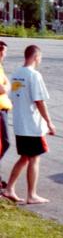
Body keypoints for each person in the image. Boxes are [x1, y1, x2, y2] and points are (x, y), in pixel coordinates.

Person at [0, 45, 56, 204]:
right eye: (40, 58)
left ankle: (9, 188)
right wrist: (49, 122)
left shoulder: (16, 74)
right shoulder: (34, 75)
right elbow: (39, 101)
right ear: (36, 57)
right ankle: (32, 194)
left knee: (25, 157)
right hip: (32, 125)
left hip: (19, 123)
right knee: (34, 159)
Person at [0, 41, 12, 187]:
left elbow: (8, 85)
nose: (5, 55)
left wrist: (6, 86)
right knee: (4, 144)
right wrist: (6, 87)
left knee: (4, 144)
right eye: (5, 52)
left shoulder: (1, 67)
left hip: (4, 110)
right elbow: (3, 89)